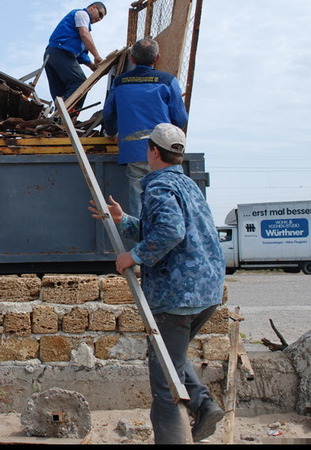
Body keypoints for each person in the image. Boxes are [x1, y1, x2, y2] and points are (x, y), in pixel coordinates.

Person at [89, 123, 225, 444]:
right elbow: (168, 228)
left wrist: (132, 257)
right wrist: (126, 222)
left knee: (165, 384)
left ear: (152, 151)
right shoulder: (186, 185)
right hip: (206, 292)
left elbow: (170, 232)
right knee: (169, 357)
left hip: (176, 295)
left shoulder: (158, 187)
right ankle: (205, 405)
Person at [102, 37, 189, 218]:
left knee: (140, 210)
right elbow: (180, 118)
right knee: (168, 203)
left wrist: (111, 133)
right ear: (157, 58)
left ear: (132, 59)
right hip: (166, 151)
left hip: (135, 152)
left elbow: (109, 115)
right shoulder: (168, 81)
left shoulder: (120, 83)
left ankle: (145, 244)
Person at [44, 2, 107, 101]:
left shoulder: (77, 34)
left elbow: (81, 54)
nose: (99, 19)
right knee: (80, 84)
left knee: (60, 95)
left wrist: (91, 65)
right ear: (93, 8)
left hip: (51, 55)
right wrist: (97, 56)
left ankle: (59, 115)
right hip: (61, 52)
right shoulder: (82, 14)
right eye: (100, 15)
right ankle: (71, 114)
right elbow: (84, 34)